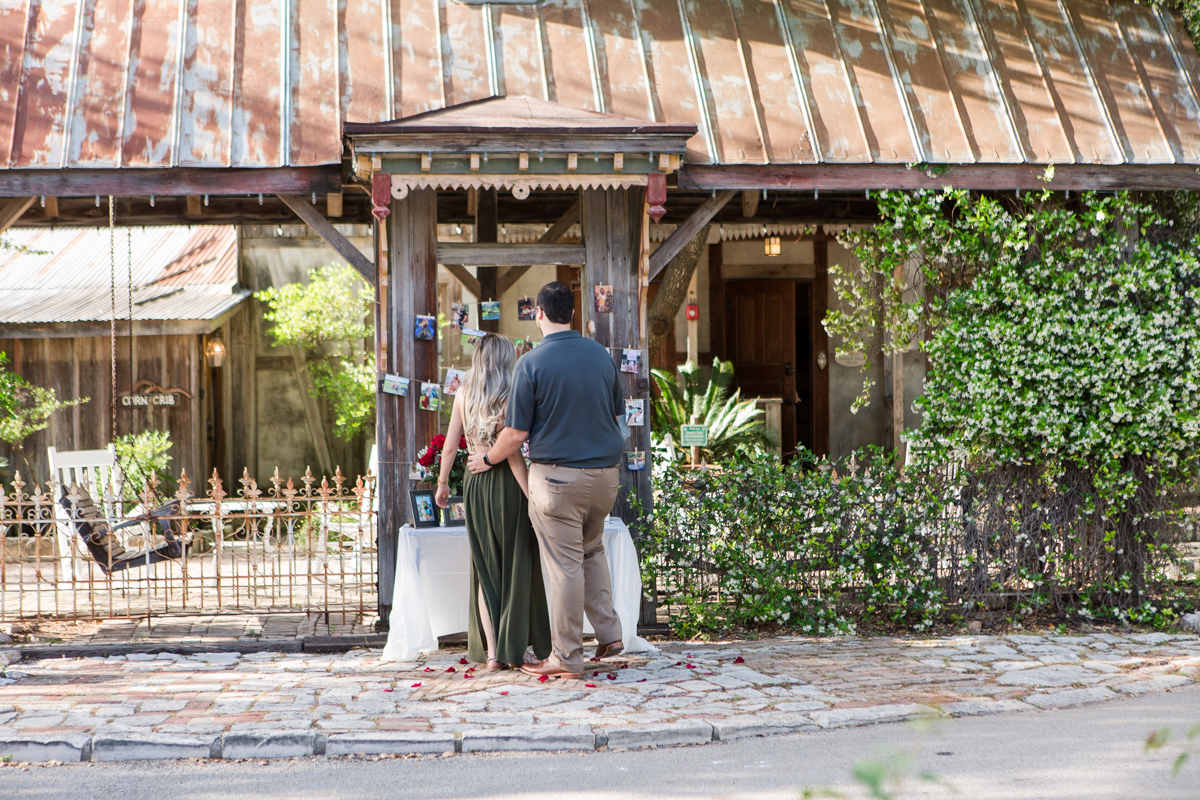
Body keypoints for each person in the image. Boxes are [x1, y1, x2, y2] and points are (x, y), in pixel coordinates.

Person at [468, 281, 625, 680]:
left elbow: (516, 434)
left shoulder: (531, 363)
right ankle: (610, 632)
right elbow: (620, 422)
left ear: (538, 313)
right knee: (591, 551)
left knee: (565, 567)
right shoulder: (601, 357)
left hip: (557, 482)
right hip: (606, 478)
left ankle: (567, 658)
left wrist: (487, 457)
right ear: (571, 314)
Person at [435, 334, 552, 670]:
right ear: (505, 359)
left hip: (475, 483)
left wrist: (443, 483)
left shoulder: (463, 393)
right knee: (515, 564)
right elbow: (513, 455)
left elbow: (450, 446)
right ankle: (515, 648)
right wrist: (533, 497)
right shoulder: (511, 395)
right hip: (506, 485)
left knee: (485, 567)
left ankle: (492, 655)